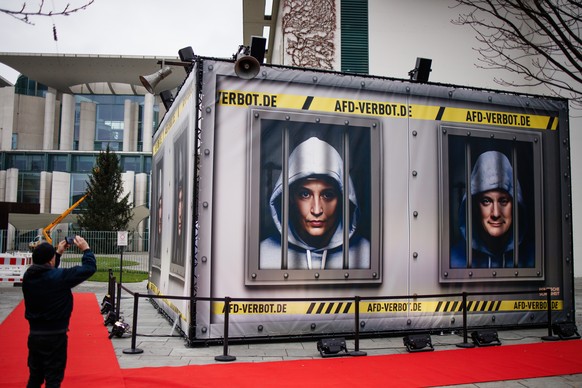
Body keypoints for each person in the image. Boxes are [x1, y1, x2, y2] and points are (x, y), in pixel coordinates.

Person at [260, 136, 370, 269]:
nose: (317, 210)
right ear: (291, 198)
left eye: (327, 195)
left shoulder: (366, 256)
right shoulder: (262, 257)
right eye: (305, 194)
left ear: (342, 197)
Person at [22, 236, 96, 387]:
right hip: (55, 336)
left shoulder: (28, 277)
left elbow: (48, 274)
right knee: (53, 378)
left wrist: (58, 254)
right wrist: (86, 250)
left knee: (35, 377)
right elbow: (88, 269)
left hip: (35, 335)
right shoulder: (59, 278)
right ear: (50, 261)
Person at [450, 150, 534, 269]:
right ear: (475, 207)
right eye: (486, 201)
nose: (495, 213)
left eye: (503, 201)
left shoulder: (533, 260)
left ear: (516, 204)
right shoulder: (453, 261)